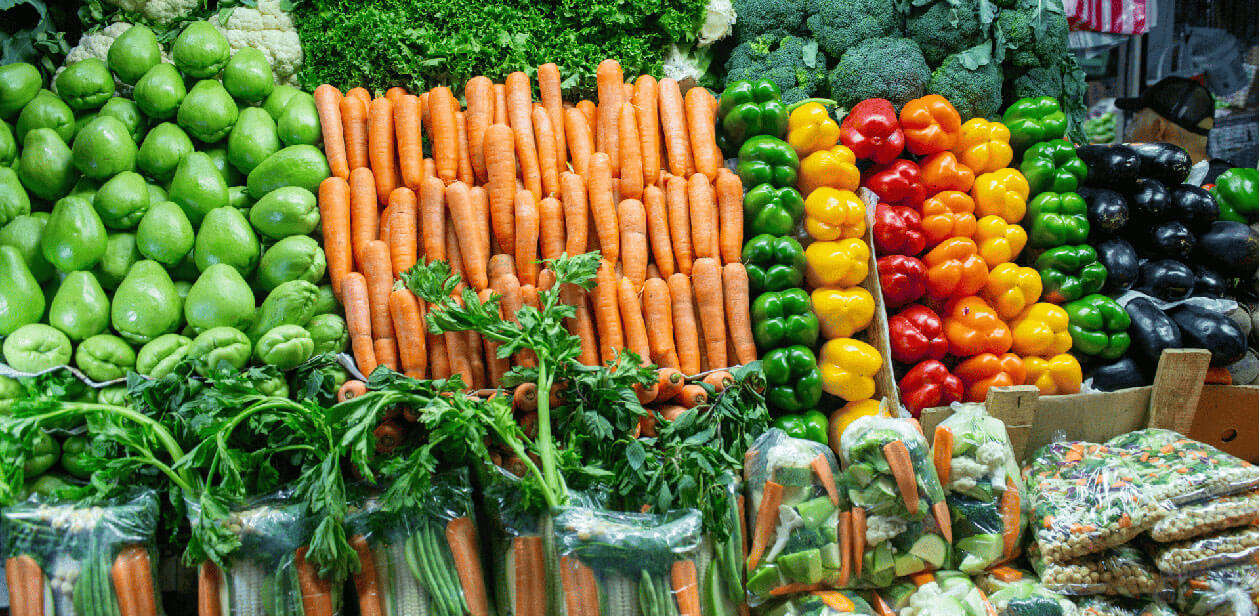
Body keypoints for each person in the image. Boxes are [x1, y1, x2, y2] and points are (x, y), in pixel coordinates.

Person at [1116, 76, 1215, 162]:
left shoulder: (1152, 183)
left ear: (1158, 129)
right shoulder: (1222, 179)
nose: (1128, 131)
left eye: (1135, 121)